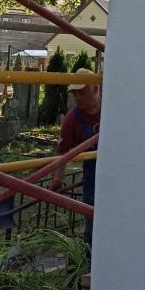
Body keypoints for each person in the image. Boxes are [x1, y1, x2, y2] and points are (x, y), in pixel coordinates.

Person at [50, 69, 100, 246]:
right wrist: (57, 180)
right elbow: (62, 153)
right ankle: (91, 251)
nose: (78, 97)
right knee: (92, 212)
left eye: (82, 91)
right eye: (74, 93)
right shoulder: (72, 119)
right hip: (92, 170)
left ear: (95, 89)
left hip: (119, 166)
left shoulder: (113, 109)